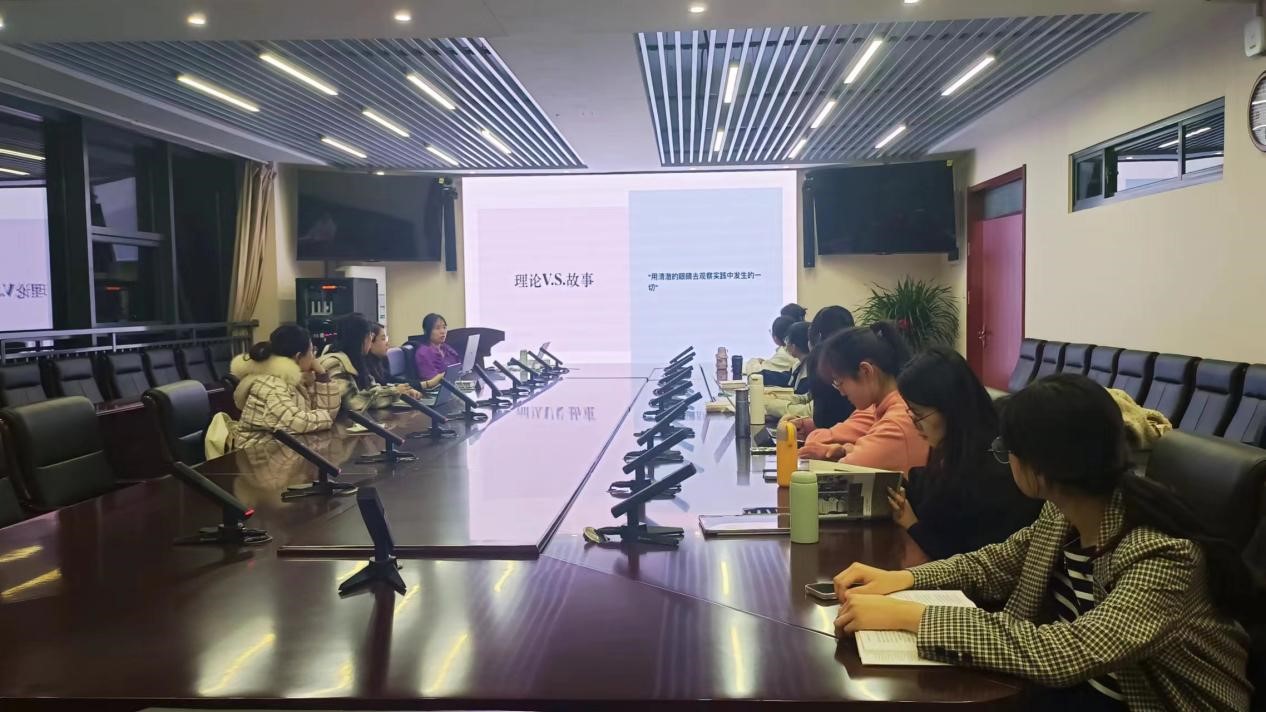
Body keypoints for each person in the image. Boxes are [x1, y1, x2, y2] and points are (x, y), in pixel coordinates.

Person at [832, 374, 1254, 711]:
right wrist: (901, 580)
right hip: (1083, 693)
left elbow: (1069, 651)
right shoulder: (1064, 512)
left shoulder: (1162, 555)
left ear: (1039, 466)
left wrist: (913, 617)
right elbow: (994, 564)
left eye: (1007, 449)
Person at [886, 346, 1042, 560]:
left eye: (919, 414)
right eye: (910, 412)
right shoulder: (955, 446)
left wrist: (912, 525)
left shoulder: (993, 467)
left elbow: (969, 556)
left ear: (950, 408)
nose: (915, 424)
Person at [798, 322, 928, 474]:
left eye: (839, 381)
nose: (841, 392)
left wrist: (843, 454)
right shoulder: (884, 407)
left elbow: (844, 471)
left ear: (866, 371)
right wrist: (844, 451)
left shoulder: (897, 423)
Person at [230, 324, 342, 450]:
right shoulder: (270, 384)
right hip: (257, 454)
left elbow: (329, 414)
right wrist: (325, 417)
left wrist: (322, 376)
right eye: (311, 351)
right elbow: (294, 422)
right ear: (298, 356)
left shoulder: (298, 379)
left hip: (282, 450)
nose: (314, 357)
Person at [319, 314, 421, 411]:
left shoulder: (356, 359)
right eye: (370, 335)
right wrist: (394, 393)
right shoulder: (334, 364)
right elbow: (352, 403)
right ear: (359, 338)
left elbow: (373, 388)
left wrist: (401, 391)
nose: (370, 339)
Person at [783, 306, 857, 431]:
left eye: (839, 383)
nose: (842, 391)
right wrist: (809, 425)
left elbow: (824, 419)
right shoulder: (850, 360)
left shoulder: (821, 363)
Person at [414, 313, 459, 389]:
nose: (443, 331)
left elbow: (458, 367)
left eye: (444, 327)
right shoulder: (423, 353)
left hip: (453, 386)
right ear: (427, 331)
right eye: (437, 328)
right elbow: (432, 381)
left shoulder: (446, 348)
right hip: (437, 390)